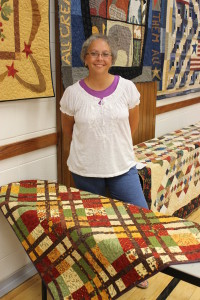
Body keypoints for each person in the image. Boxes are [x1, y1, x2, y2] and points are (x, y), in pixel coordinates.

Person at [60, 34, 149, 288]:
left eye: (105, 53)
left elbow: (132, 125)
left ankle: (135, 268)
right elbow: (69, 130)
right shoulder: (72, 94)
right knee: (94, 226)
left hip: (122, 166)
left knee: (137, 219)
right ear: (85, 59)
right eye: (94, 53)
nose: (100, 58)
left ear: (112, 59)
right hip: (86, 170)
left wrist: (113, 147)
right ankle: (98, 269)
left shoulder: (127, 88)